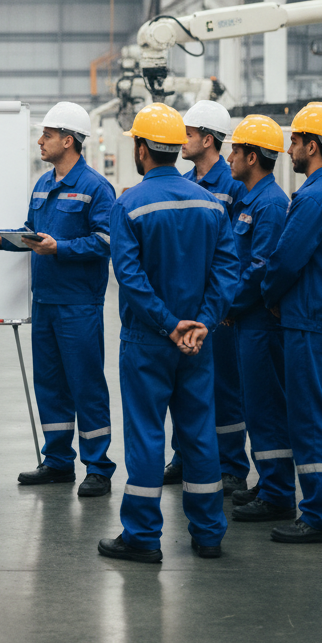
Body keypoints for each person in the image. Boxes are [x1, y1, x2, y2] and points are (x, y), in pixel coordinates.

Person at [98, 103, 240, 563]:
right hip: (199, 341)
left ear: (141, 148)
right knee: (199, 434)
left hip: (148, 341)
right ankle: (209, 533)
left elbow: (130, 276)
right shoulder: (210, 202)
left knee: (145, 436)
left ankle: (142, 536)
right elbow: (227, 268)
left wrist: (168, 323)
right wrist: (203, 320)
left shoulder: (129, 204)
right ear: (176, 147)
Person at [0, 102, 116, 496]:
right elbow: (34, 233)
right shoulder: (43, 184)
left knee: (85, 384)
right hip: (46, 301)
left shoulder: (96, 188)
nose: (40, 141)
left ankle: (98, 467)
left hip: (79, 304)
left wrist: (61, 248)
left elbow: (106, 241)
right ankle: (57, 461)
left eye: (47, 135)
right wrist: (3, 237)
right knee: (49, 384)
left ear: (68, 141)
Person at [261, 103, 322, 544]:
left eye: (296, 141)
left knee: (312, 418)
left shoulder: (313, 197)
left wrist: (268, 297)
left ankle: (320, 514)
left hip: (309, 321)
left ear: (313, 145)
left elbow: (285, 260)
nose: (290, 149)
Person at [164, 100, 249, 496]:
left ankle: (232, 466)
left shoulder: (232, 186)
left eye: (188, 134)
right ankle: (185, 457)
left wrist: (223, 304)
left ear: (207, 139)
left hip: (218, 309)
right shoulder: (185, 181)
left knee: (225, 389)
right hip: (186, 303)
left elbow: (230, 255)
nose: (180, 141)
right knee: (185, 388)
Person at [224, 115, 296, 524]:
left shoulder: (270, 204)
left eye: (236, 150)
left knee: (266, 407)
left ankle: (279, 493)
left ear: (252, 157)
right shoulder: (250, 200)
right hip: (246, 321)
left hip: (259, 325)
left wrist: (227, 306)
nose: (230, 156)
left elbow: (261, 268)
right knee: (255, 406)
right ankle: (269, 481)